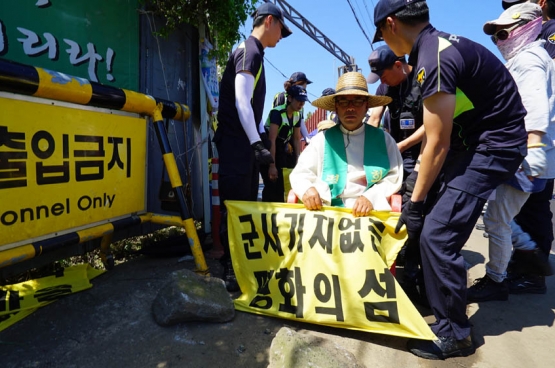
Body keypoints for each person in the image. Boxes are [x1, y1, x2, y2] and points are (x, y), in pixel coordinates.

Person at [373, 0, 527, 360]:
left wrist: (416, 202)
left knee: (437, 233)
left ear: (391, 24)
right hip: (472, 144)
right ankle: (435, 295)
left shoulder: (434, 58)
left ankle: (455, 333)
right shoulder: (436, 47)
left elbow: (437, 143)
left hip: (492, 146)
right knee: (430, 224)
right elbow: (434, 127)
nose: (382, 39)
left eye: (380, 33)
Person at [467, 3, 555, 303]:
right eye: (495, 36)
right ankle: (528, 251)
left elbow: (536, 111)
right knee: (498, 216)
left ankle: (497, 279)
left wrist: (529, 154)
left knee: (496, 220)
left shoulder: (529, 59)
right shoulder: (532, 56)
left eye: (503, 32)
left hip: (525, 156)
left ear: (527, 27)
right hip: (525, 155)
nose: (500, 40)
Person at [212, 2, 291, 292]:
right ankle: (230, 268)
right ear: (269, 21)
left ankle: (242, 262)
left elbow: (251, 110)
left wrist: (257, 144)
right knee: (235, 206)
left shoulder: (257, 53)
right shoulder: (250, 50)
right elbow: (240, 101)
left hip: (244, 145)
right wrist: (257, 143)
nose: (282, 36)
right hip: (235, 144)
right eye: (282, 29)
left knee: (246, 205)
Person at [367, 45, 430, 307]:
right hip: (395, 156)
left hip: (423, 155)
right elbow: (374, 118)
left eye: (382, 74)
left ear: (398, 65)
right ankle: (400, 260)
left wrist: (400, 147)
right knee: (394, 209)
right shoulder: (385, 88)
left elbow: (432, 125)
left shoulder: (423, 80)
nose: (380, 81)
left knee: (417, 215)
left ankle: (416, 279)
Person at [289, 72, 403, 215]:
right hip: (327, 213)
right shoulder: (322, 140)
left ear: (367, 106)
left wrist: (371, 197)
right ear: (336, 107)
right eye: (343, 102)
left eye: (357, 101)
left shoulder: (384, 140)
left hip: (370, 214)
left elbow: (394, 176)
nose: (350, 108)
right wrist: (307, 189)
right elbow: (300, 174)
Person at [501, 0, 555, 294]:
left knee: (530, 210)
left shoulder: (535, 53)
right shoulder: (533, 52)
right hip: (534, 146)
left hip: (535, 147)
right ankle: (526, 261)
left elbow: (535, 102)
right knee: (522, 211)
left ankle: (532, 271)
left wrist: (533, 148)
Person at [260, 85, 307, 202]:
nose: (301, 104)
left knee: (284, 184)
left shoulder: (297, 114)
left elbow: (296, 138)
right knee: (272, 186)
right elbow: (272, 140)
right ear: (290, 98)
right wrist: (272, 166)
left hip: (281, 148)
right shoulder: (277, 113)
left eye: (303, 101)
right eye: (298, 100)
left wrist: (298, 161)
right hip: (268, 148)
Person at [272, 72, 313, 145]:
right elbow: (275, 122)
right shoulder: (281, 96)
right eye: (305, 85)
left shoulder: (300, 104)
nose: (305, 88)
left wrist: (308, 139)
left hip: (290, 139)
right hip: (276, 139)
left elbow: (301, 123)